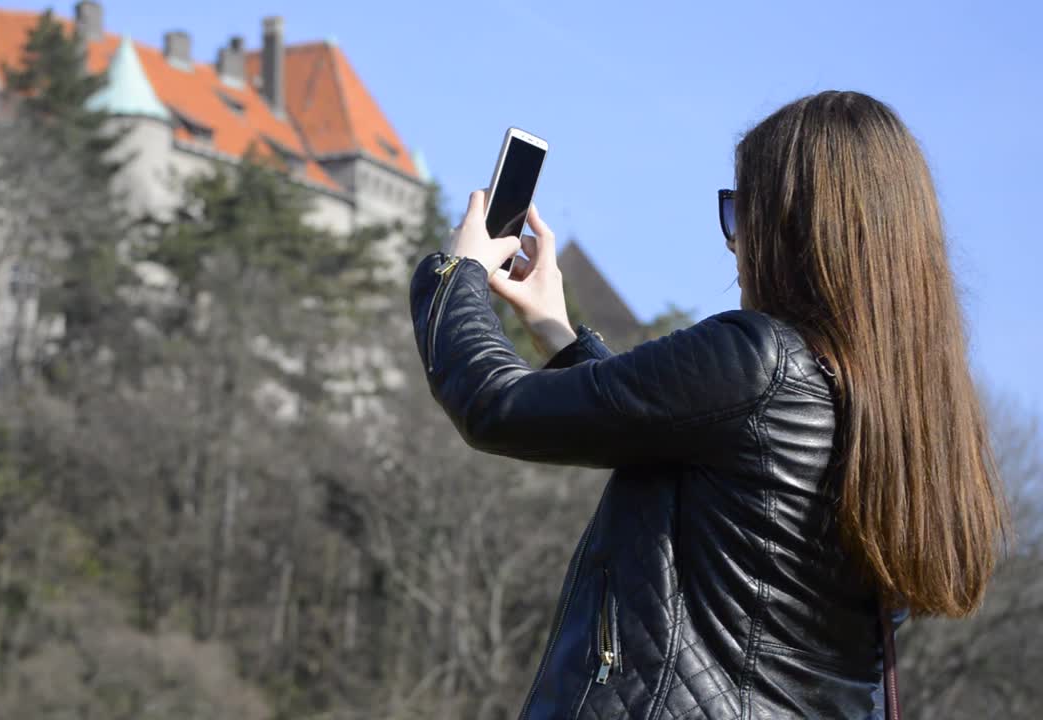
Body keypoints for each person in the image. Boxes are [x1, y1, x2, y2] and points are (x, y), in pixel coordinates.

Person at [409, 90, 1007, 719]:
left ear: (794, 227)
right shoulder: (910, 422)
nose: (734, 245)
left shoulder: (760, 358)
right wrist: (559, 336)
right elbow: (689, 436)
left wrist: (458, 272)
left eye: (742, 213)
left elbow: (494, 405)